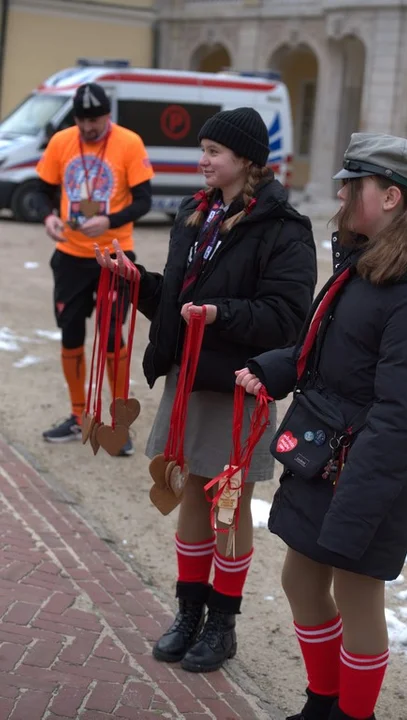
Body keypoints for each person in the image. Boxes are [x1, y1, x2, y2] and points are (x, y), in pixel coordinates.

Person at [236, 133, 407, 720]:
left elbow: (404, 415)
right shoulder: (364, 262)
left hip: (369, 466)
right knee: (301, 578)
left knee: (356, 589)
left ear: (391, 196)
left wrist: (357, 505)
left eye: (354, 185)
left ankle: (354, 714)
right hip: (327, 451)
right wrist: (274, 369)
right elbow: (327, 344)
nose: (341, 193)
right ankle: (323, 702)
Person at [96, 106, 317, 672]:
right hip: (189, 376)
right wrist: (139, 282)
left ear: (246, 160)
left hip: (238, 383)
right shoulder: (196, 215)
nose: (204, 160)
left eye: (215, 152)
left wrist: (222, 316)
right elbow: (179, 296)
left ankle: (223, 622)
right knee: (193, 492)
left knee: (228, 502)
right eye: (204, 149)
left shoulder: (284, 229)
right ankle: (188, 612)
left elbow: (290, 318)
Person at [36, 82, 154, 454]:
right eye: (83, 121)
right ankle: (76, 416)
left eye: (96, 120)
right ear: (75, 118)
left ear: (108, 115)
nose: (89, 128)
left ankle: (118, 426)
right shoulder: (61, 142)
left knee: (110, 334)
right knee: (71, 331)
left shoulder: (129, 143)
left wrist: (110, 220)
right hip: (70, 254)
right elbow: (42, 190)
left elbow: (145, 201)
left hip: (114, 255)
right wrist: (48, 217)